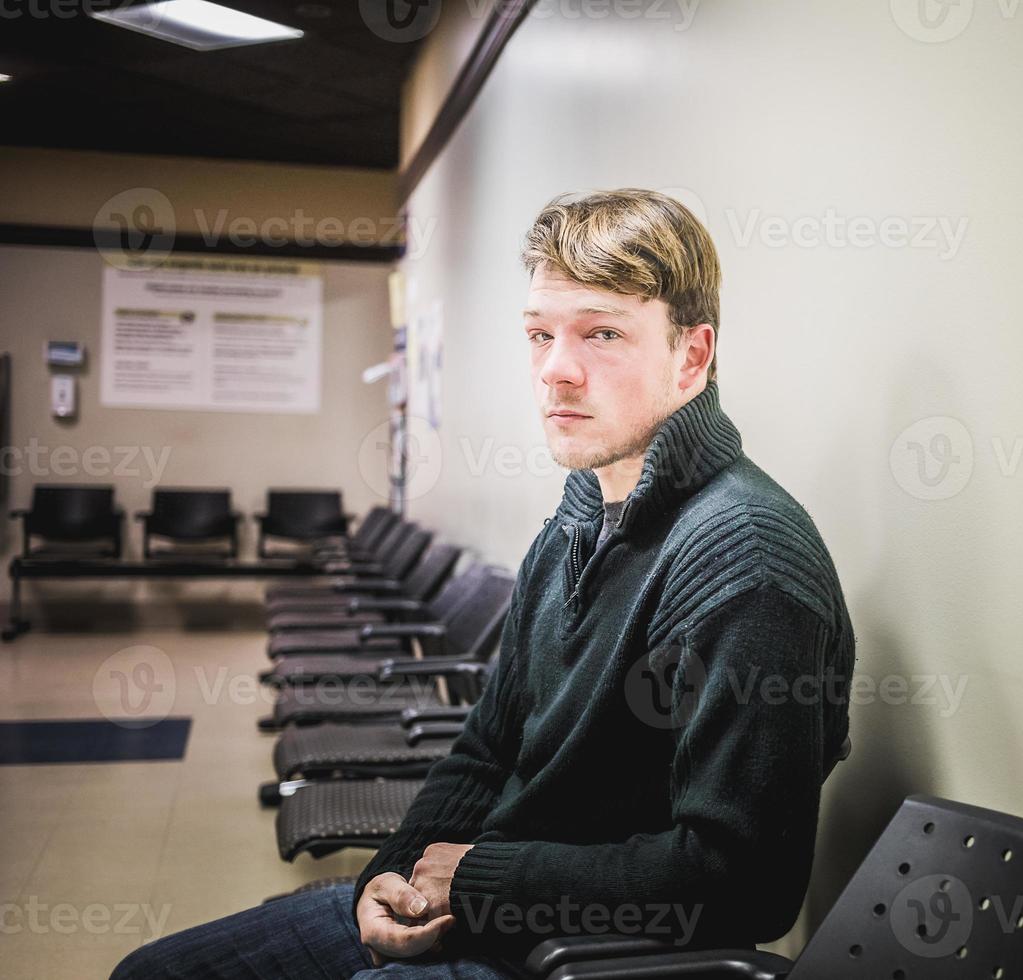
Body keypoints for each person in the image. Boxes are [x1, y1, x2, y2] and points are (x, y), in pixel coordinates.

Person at [112, 188, 856, 979]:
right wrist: (391, 874)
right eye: (540, 334)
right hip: (485, 904)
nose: (556, 370)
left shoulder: (746, 560)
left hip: (586, 956)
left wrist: (475, 881)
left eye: (602, 334)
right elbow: (489, 745)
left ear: (691, 356)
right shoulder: (578, 517)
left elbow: (745, 884)